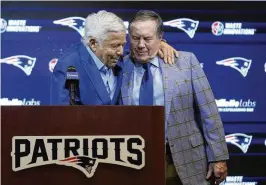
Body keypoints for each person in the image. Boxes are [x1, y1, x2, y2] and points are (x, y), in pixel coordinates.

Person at [120, 10, 229, 185]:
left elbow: (209, 112)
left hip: (183, 159)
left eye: (147, 39)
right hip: (133, 161)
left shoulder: (186, 62)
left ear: (160, 37)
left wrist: (219, 157)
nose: (140, 45)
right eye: (135, 38)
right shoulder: (119, 66)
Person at [50, 10, 178, 105]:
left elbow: (144, 50)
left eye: (122, 44)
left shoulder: (120, 60)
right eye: (115, 46)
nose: (121, 52)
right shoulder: (69, 65)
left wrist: (160, 43)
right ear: (93, 43)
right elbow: (61, 118)